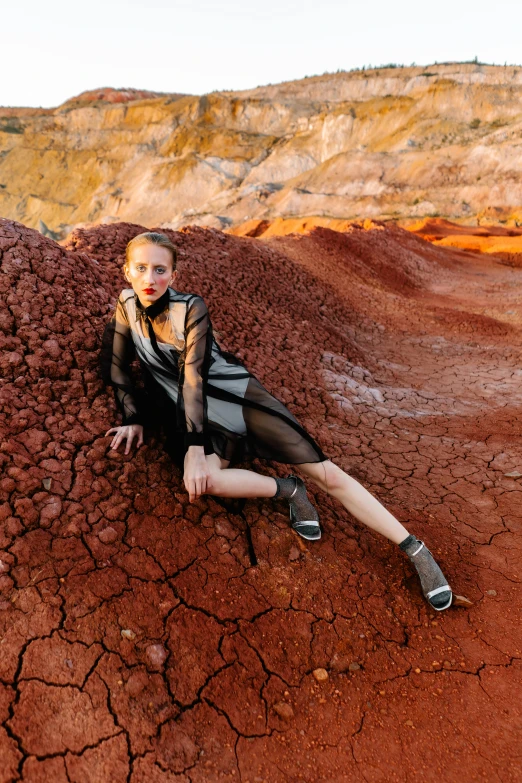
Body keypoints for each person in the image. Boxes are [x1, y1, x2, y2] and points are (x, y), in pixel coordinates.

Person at [100, 231, 453, 611]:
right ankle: (289, 490)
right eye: (142, 269)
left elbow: (194, 378)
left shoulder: (191, 309)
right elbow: (116, 364)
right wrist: (133, 418)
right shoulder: (125, 306)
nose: (151, 279)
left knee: (329, 475)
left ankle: (415, 549)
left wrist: (194, 449)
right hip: (190, 413)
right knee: (206, 482)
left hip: (235, 398)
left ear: (174, 275)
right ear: (127, 272)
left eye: (160, 269)